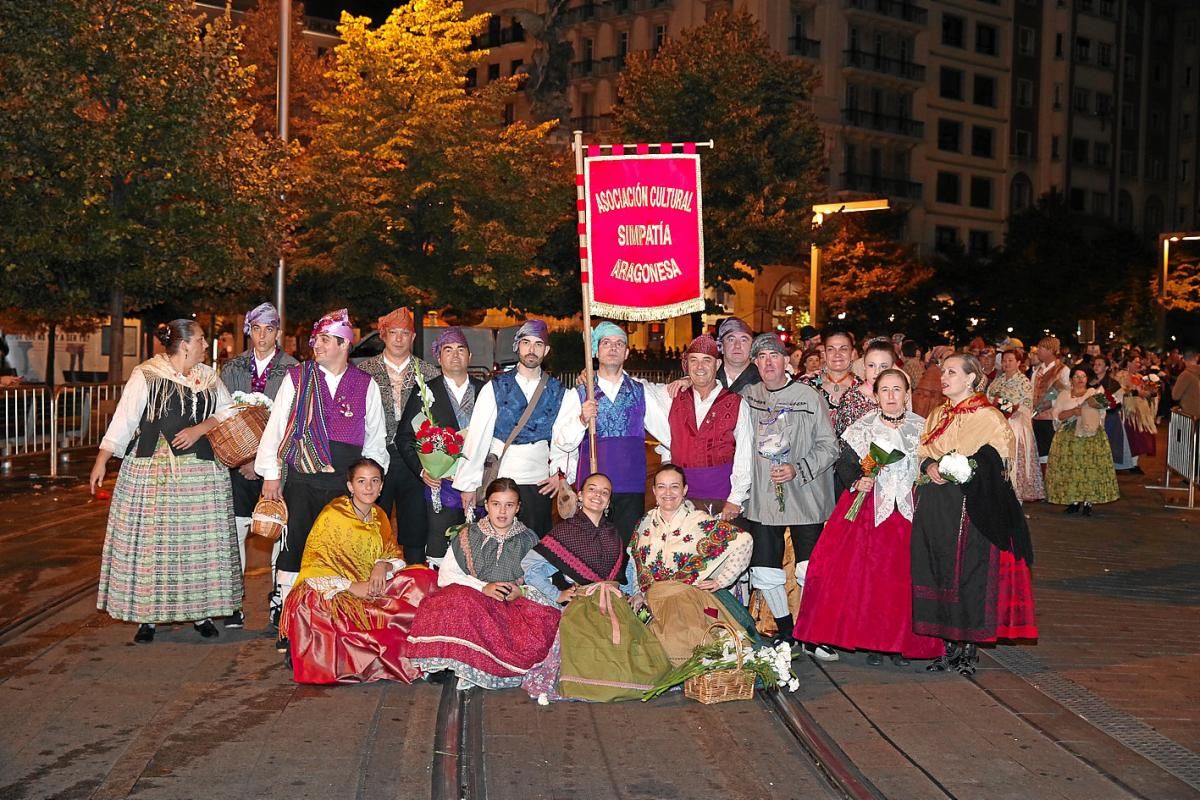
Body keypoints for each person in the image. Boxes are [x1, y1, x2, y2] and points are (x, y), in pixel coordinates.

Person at [90, 320, 241, 644]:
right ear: (185, 344)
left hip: (200, 475)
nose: (205, 344)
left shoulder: (208, 378)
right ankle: (149, 618)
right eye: (200, 339)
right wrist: (103, 458)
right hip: (155, 474)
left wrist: (201, 428)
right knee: (153, 548)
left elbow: (230, 412)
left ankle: (201, 612)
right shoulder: (147, 375)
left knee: (197, 547)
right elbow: (125, 420)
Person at [255, 309, 389, 652]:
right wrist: (272, 476)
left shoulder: (365, 384)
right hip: (302, 480)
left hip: (344, 486)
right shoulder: (297, 378)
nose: (317, 345)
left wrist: (370, 483)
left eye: (326, 340)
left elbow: (374, 439)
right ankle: (287, 622)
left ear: (344, 344)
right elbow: (276, 428)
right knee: (294, 549)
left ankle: (332, 618)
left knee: (338, 554)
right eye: (317, 339)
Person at [794, 369, 943, 665]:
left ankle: (903, 642)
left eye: (897, 390)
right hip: (868, 511)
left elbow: (929, 463)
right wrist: (857, 480)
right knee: (869, 578)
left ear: (906, 394)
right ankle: (873, 642)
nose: (890, 396)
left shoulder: (922, 428)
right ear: (875, 396)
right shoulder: (862, 428)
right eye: (884, 390)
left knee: (906, 578)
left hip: (910, 514)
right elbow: (845, 463)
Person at [911, 354, 1038, 677]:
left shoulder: (989, 417)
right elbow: (923, 451)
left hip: (970, 507)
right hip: (936, 506)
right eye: (944, 371)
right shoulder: (938, 414)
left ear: (971, 379)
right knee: (938, 569)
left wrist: (965, 467)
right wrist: (929, 466)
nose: (944, 377)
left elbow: (998, 462)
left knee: (968, 574)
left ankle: (968, 646)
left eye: (952, 372)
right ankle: (946, 644)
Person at [280, 458, 439, 683]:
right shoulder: (334, 515)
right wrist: (352, 587)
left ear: (382, 486)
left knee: (423, 578)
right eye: (361, 481)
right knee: (366, 624)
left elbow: (393, 554)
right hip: (333, 593)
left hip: (372, 587)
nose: (368, 487)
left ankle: (433, 649)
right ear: (350, 486)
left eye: (375, 481)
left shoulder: (379, 515)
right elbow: (315, 568)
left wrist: (381, 565)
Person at [521, 474, 668, 702]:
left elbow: (626, 570)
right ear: (580, 495)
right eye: (592, 489)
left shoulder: (614, 533)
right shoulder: (565, 532)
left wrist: (636, 592)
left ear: (609, 502)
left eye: (604, 492)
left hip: (616, 603)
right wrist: (557, 594)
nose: (597, 495)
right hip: (585, 605)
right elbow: (530, 566)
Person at [407, 478, 561, 689]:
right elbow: (446, 575)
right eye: (496, 504)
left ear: (518, 508)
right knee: (454, 602)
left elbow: (544, 580)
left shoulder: (529, 540)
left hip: (510, 605)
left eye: (509, 505)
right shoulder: (469, 535)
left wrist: (522, 591)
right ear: (486, 505)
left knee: (544, 621)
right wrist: (483, 587)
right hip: (473, 596)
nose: (502, 511)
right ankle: (448, 661)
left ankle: (477, 666)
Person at [741, 333, 839, 658]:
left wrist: (799, 468)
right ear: (755, 363)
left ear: (787, 361)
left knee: (809, 569)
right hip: (763, 499)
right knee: (765, 570)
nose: (768, 362)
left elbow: (830, 446)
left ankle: (813, 632)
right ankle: (786, 633)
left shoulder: (809, 397)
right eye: (761, 357)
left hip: (805, 495)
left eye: (774, 355)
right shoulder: (747, 397)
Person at [452, 320, 580, 535]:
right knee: (497, 541)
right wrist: (468, 484)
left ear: (546, 350)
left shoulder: (560, 392)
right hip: (501, 479)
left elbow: (564, 440)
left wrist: (561, 474)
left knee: (535, 546)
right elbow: (477, 438)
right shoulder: (495, 387)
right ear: (517, 345)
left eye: (538, 344)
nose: (532, 350)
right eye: (526, 342)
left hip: (539, 482)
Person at [219, 302, 298, 628]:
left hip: (276, 468)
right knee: (235, 532)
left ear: (278, 332)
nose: (262, 336)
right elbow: (221, 415)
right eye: (256, 329)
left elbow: (293, 423)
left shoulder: (293, 369)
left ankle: (279, 599)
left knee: (280, 533)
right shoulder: (233, 367)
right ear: (248, 330)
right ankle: (233, 600)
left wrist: (264, 462)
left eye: (269, 329)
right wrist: (241, 458)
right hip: (238, 467)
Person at [554, 321, 670, 543]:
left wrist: (668, 463)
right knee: (590, 549)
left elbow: (668, 434)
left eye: (619, 343)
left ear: (627, 352)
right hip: (592, 489)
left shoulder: (640, 391)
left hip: (630, 487)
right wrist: (581, 420)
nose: (613, 347)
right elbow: (562, 441)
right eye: (606, 342)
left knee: (626, 549)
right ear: (596, 351)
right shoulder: (579, 393)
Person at [629, 464, 754, 665]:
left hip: (684, 600)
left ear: (685, 490)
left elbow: (743, 541)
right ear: (654, 491)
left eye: (674, 487)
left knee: (682, 642)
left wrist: (721, 580)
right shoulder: (644, 523)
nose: (667, 493)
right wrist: (637, 592)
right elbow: (636, 561)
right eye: (661, 487)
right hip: (652, 601)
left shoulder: (699, 521)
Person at [357, 308, 441, 564]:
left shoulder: (428, 373)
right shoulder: (364, 371)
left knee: (414, 528)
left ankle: (415, 581)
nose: (398, 339)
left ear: (413, 337)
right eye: (393, 333)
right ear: (383, 335)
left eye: (405, 333)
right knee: (371, 522)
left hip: (414, 460)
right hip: (374, 456)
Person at [397, 327, 484, 565]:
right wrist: (423, 470)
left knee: (475, 550)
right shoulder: (425, 391)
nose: (455, 355)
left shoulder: (485, 390)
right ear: (438, 358)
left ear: (470, 356)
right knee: (440, 551)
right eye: (448, 350)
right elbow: (404, 437)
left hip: (477, 485)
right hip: (441, 487)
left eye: (460, 349)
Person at [643, 334, 752, 518]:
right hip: (680, 501)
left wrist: (735, 499)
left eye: (706, 360)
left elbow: (745, 455)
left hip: (722, 499)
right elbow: (636, 386)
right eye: (694, 360)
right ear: (687, 365)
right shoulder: (671, 396)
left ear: (717, 365)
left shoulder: (736, 403)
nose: (699, 367)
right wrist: (593, 376)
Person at [1045, 366, 1120, 516]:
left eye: (1083, 376)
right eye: (1077, 376)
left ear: (1087, 379)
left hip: (1089, 435)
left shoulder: (1094, 394)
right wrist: (1073, 412)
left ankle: (1088, 502)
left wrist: (1087, 412)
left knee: (1089, 468)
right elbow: (1057, 415)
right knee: (1071, 468)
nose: (1080, 379)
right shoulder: (1064, 395)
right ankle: (1073, 501)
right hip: (1068, 436)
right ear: (1071, 379)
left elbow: (1101, 414)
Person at [986, 348, 1045, 502]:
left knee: (1015, 461)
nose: (1007, 363)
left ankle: (1016, 498)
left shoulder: (1023, 382)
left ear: (1019, 363)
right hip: (997, 425)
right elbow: (989, 397)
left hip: (1016, 425)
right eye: (1005, 360)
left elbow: (1025, 406)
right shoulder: (998, 380)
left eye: (1010, 360)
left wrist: (1005, 406)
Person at [832, 339, 897, 439]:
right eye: (871, 365)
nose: (877, 371)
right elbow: (842, 440)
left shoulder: (898, 397)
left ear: (892, 368)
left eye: (883, 366)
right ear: (864, 366)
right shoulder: (851, 399)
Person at [799, 328, 861, 424]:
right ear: (825, 354)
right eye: (831, 349)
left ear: (852, 354)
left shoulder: (862, 389)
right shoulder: (806, 384)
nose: (837, 354)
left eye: (843, 349)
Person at [1031, 336, 1070, 469]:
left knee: (1051, 454)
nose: (1038, 351)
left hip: (1052, 418)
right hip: (1036, 418)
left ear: (1050, 350)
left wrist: (1050, 403)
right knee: (1039, 453)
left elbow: (1066, 395)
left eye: (1041, 348)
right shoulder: (1037, 371)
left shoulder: (1063, 370)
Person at [1090, 356, 1130, 470]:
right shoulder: (1089, 381)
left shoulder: (1113, 383)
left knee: (1108, 447)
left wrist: (1106, 404)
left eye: (1099, 364)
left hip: (1109, 418)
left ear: (1106, 367)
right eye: (1095, 364)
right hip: (1092, 417)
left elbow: (1118, 402)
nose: (1096, 367)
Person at [715, 317, 761, 393]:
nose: (737, 345)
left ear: (752, 347)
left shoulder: (763, 379)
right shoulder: (708, 377)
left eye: (744, 340)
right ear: (721, 346)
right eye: (731, 340)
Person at [912, 345, 951, 418]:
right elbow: (924, 398)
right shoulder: (934, 372)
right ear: (939, 359)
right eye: (947, 358)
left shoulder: (941, 372)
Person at [1173, 348, 1200, 418]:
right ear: (1197, 357)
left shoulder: (1185, 375)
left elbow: (1175, 396)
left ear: (1183, 359)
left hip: (1191, 416)